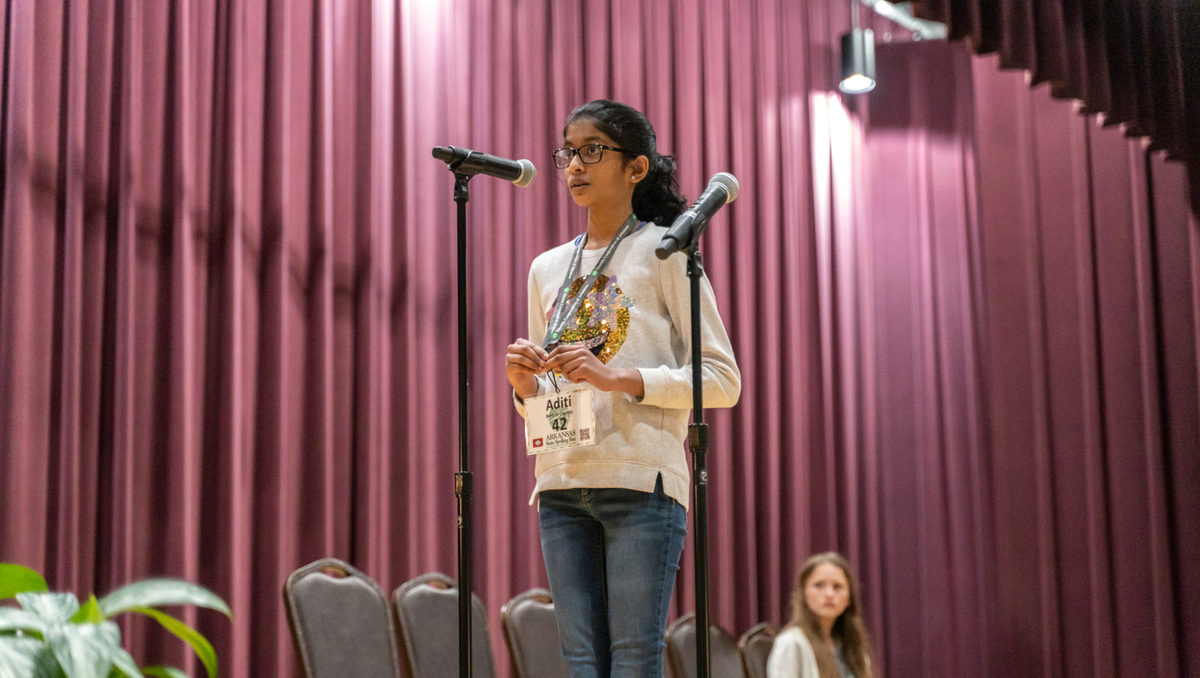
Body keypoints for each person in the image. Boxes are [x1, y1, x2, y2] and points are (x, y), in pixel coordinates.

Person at [505, 99, 741, 678]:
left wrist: (623, 378)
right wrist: (521, 386)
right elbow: (545, 389)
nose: (574, 166)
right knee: (579, 662)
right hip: (562, 479)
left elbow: (723, 379)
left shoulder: (667, 251)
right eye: (568, 153)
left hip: (642, 483)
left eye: (593, 151)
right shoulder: (546, 267)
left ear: (636, 168)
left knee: (635, 660)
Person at [767, 552, 875, 678]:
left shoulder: (851, 644)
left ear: (848, 599)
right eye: (819, 585)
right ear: (803, 594)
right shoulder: (791, 642)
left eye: (837, 587)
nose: (829, 594)